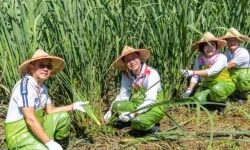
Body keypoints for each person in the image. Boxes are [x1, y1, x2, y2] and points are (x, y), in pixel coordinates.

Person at [4, 49, 89, 150]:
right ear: (32, 67)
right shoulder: (25, 86)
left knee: (63, 117)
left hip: (36, 125)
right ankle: (47, 144)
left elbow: (50, 110)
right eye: (41, 65)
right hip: (19, 133)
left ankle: (57, 144)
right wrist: (49, 143)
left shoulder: (42, 88)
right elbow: (30, 119)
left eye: (49, 66)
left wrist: (73, 106)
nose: (46, 69)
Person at [103, 46, 165, 133]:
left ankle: (153, 126)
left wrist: (134, 114)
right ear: (125, 63)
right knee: (116, 105)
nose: (132, 62)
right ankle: (133, 122)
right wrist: (110, 110)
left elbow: (151, 100)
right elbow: (123, 95)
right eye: (128, 60)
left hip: (154, 106)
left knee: (138, 122)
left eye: (134, 58)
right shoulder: (127, 76)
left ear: (139, 58)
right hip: (136, 104)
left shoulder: (151, 73)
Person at [181, 32, 235, 114]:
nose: (210, 48)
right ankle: (213, 102)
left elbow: (211, 71)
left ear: (216, 46)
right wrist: (189, 90)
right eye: (206, 45)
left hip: (224, 84)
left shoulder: (221, 57)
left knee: (217, 89)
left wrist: (192, 72)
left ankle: (221, 106)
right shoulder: (199, 58)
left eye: (212, 45)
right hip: (208, 86)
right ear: (202, 47)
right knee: (198, 99)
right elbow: (195, 76)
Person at [221, 27, 250, 103]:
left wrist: (212, 71)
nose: (232, 43)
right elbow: (223, 62)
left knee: (242, 78)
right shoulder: (227, 51)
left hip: (243, 73)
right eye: (229, 41)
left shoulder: (243, 52)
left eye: (234, 40)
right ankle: (235, 93)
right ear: (226, 42)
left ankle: (244, 95)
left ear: (239, 41)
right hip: (232, 73)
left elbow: (228, 65)